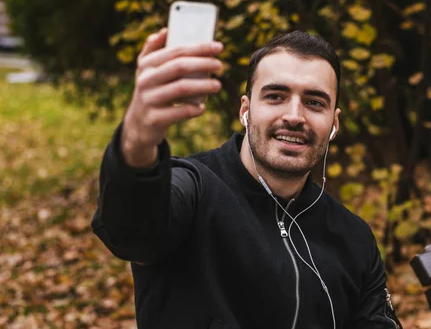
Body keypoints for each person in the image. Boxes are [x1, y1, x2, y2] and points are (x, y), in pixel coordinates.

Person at [91, 29, 403, 329]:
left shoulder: (353, 238)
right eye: (276, 96)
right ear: (246, 110)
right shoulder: (193, 188)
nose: (295, 116)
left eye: (314, 102)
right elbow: (132, 231)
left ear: (333, 123)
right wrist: (137, 138)